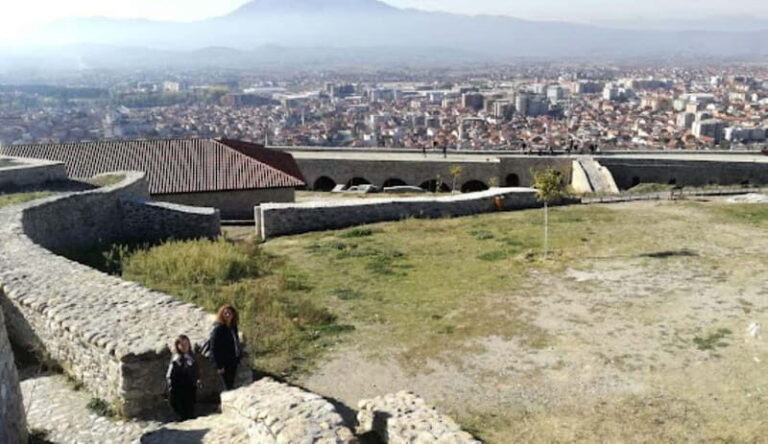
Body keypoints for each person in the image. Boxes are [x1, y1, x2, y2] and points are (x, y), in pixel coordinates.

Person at [166, 335, 200, 420]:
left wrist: (197, 379)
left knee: (191, 403)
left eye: (186, 344)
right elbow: (170, 374)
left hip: (190, 385)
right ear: (177, 346)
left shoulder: (191, 357)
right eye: (182, 345)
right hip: (179, 387)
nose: (185, 347)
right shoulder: (176, 359)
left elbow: (195, 369)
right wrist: (171, 385)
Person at [209, 304, 242, 390]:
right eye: (225, 313)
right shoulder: (219, 329)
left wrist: (238, 356)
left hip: (233, 361)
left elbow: (235, 342)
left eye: (230, 313)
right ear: (221, 315)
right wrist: (219, 366)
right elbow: (214, 348)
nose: (228, 315)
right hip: (224, 363)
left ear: (233, 314)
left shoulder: (233, 327)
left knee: (231, 384)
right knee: (227, 386)